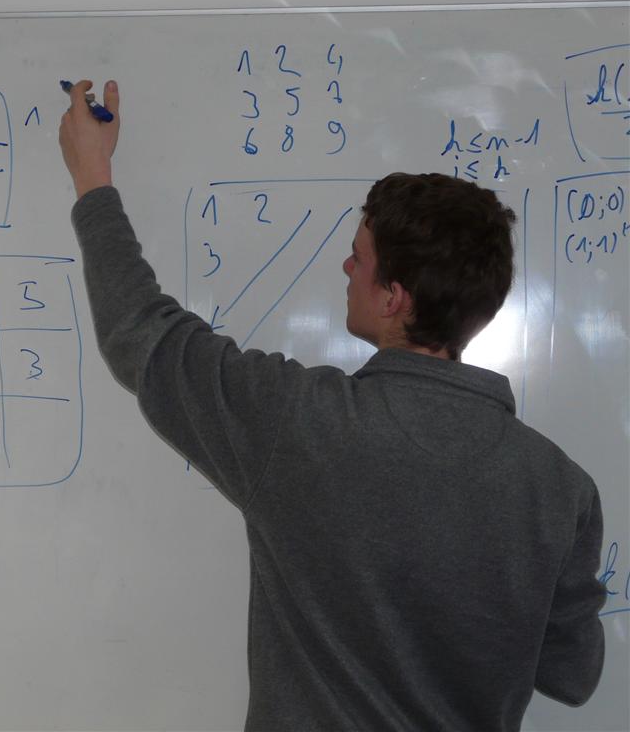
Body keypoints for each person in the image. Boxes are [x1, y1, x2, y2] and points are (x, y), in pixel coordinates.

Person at [58, 79, 606, 731]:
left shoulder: (298, 422)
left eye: (358, 258)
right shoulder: (561, 490)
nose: (347, 269)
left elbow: (139, 331)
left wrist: (92, 176)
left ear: (393, 297)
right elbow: (572, 676)